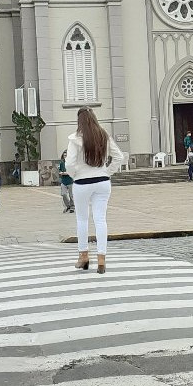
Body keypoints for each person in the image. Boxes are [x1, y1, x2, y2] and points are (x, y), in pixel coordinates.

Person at [65, 107, 123, 274]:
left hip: (82, 183)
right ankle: (101, 259)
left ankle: (83, 256)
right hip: (102, 182)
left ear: (79, 121)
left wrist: (75, 174)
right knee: (100, 219)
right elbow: (119, 156)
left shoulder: (75, 139)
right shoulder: (103, 136)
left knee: (82, 220)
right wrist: (107, 171)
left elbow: (69, 163)